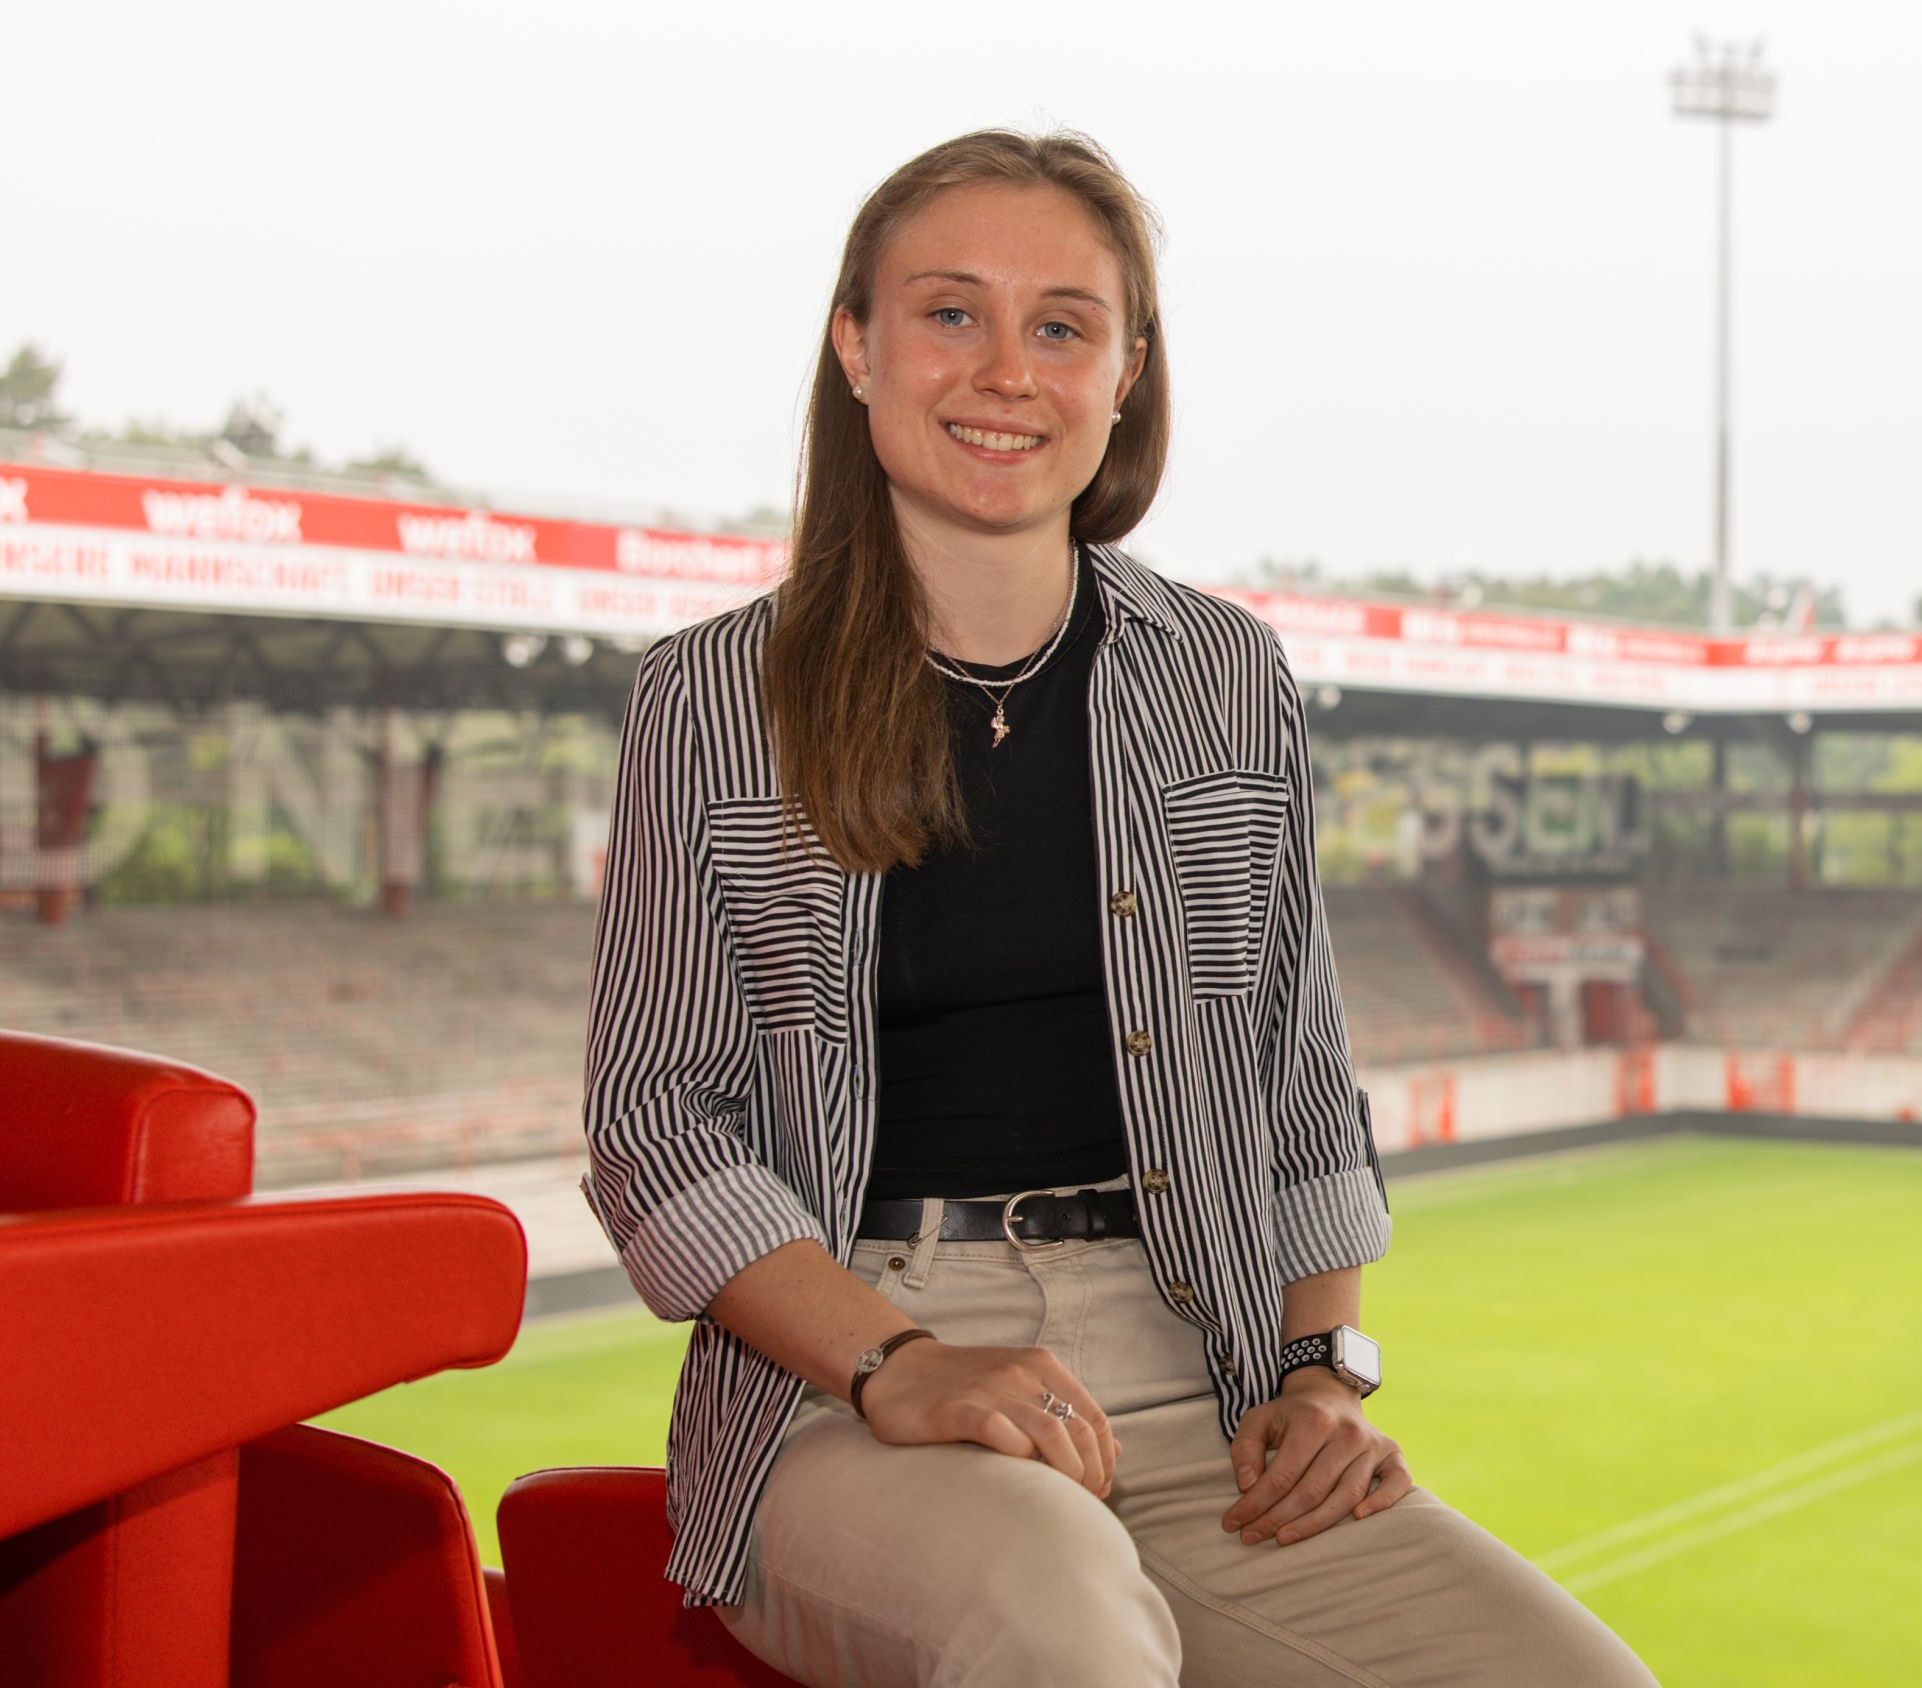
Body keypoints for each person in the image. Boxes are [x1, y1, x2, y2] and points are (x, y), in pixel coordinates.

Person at [581, 128, 1657, 1687]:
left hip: (1192, 1373)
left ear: (1126, 372)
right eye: (951, 313)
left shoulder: (1227, 677)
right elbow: (658, 1126)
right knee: (1062, 1624)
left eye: (1063, 326)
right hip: (850, 1382)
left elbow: (1293, 1077)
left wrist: (1321, 1374)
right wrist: (899, 1362)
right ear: (856, 347)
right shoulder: (711, 696)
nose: (1007, 370)